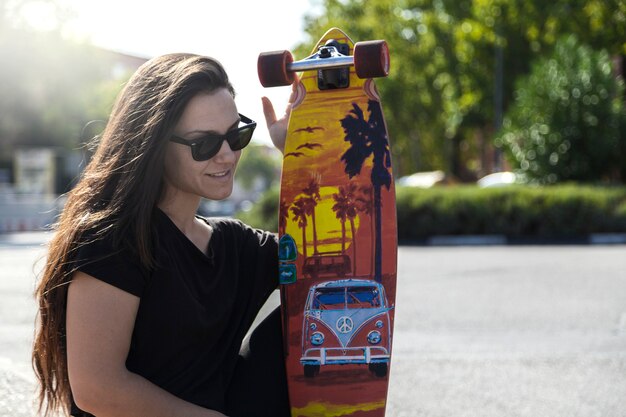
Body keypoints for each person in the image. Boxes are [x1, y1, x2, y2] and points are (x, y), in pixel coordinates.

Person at [32, 53, 295, 417]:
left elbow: (320, 253)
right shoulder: (113, 240)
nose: (227, 155)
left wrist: (299, 151)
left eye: (237, 135)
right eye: (205, 144)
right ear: (154, 143)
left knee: (293, 323)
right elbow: (97, 388)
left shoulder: (235, 246)